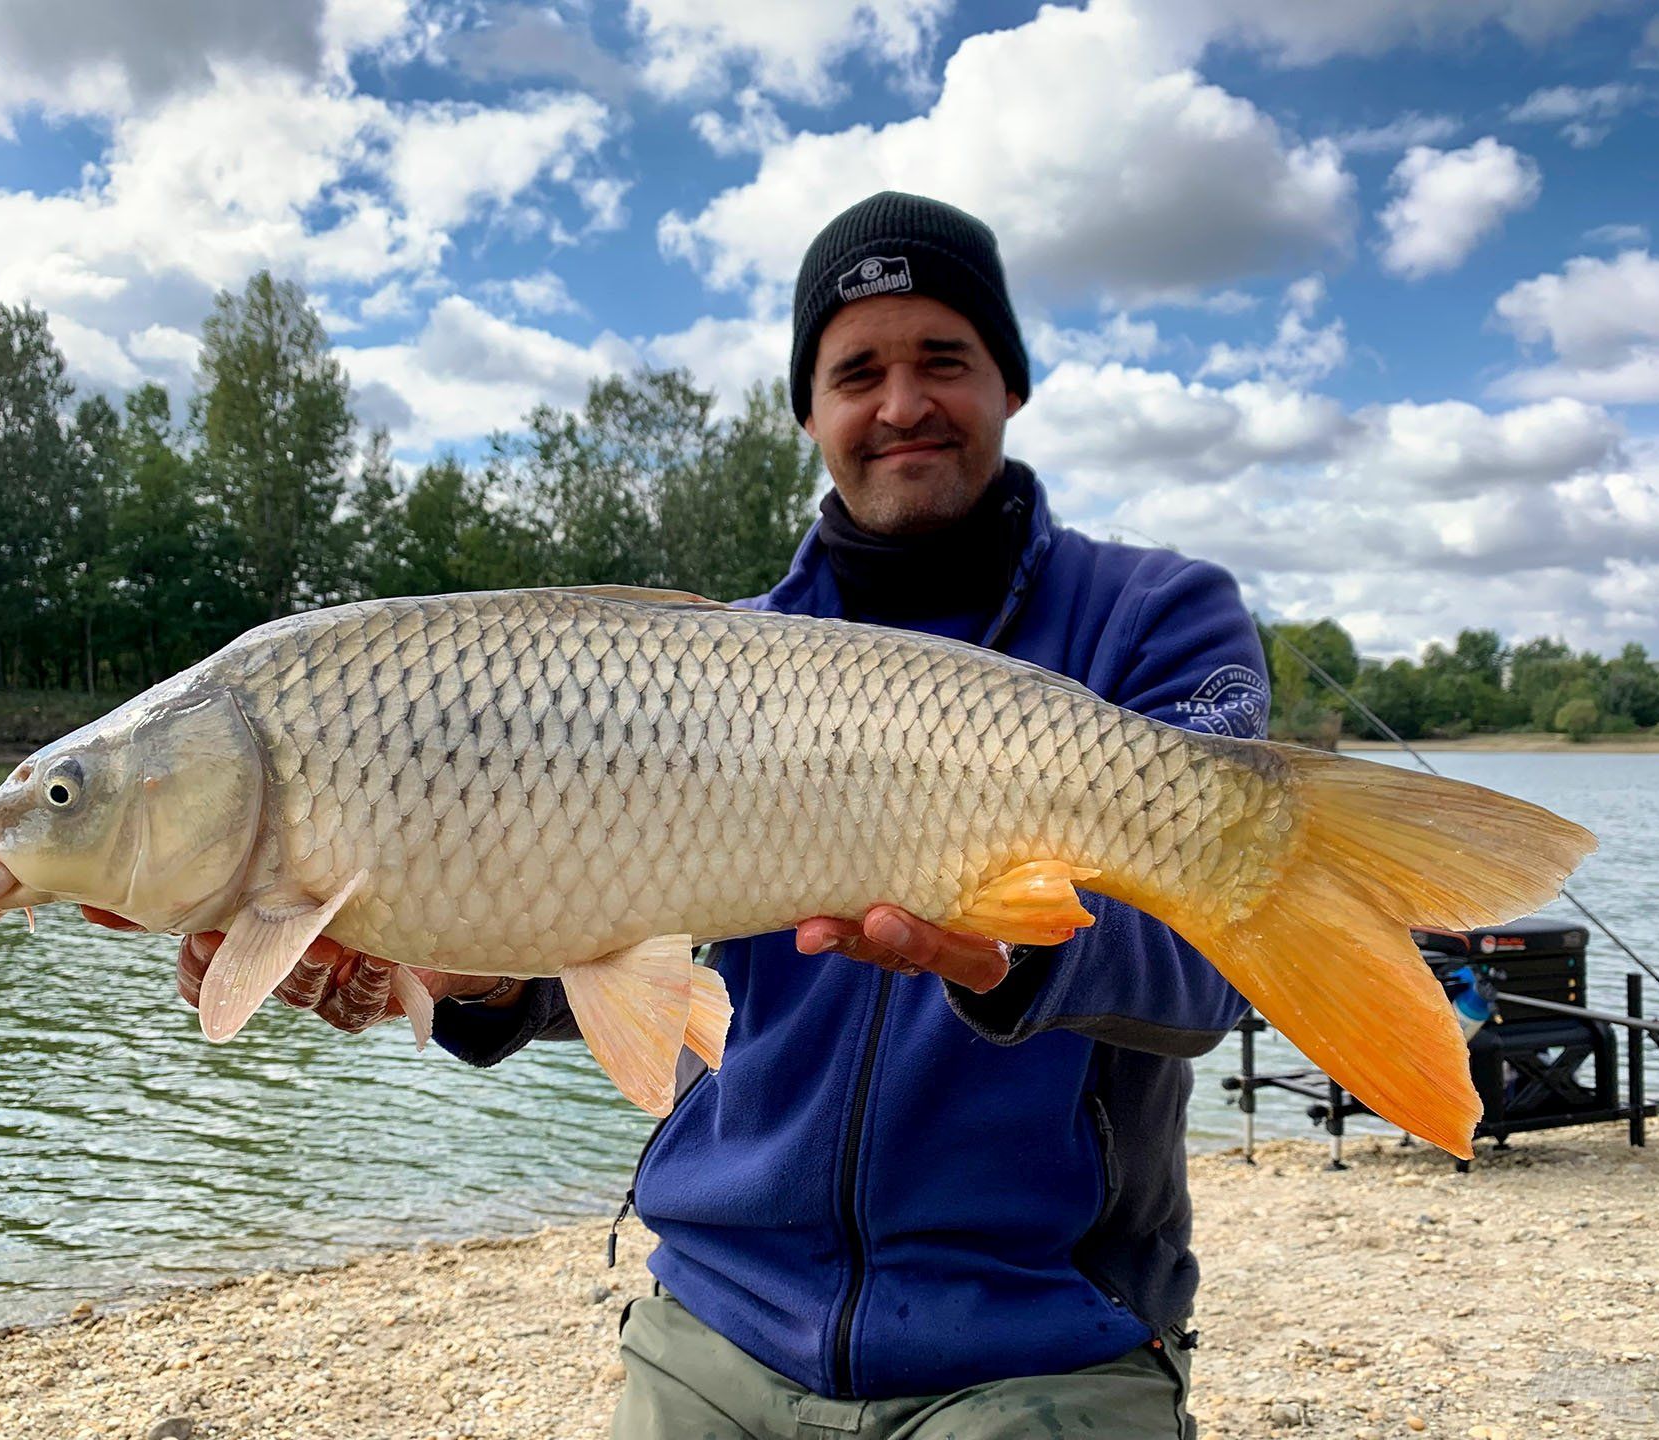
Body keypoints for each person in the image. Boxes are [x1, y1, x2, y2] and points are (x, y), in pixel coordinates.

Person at [110, 192, 1271, 1439]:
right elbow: (638, 961)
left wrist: (1013, 957)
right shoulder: (708, 662)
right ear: (809, 409)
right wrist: (478, 982)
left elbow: (1212, 976)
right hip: (713, 1324)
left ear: (1010, 385)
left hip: (1044, 1340)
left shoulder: (1153, 621)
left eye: (944, 359)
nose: (899, 404)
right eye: (856, 370)